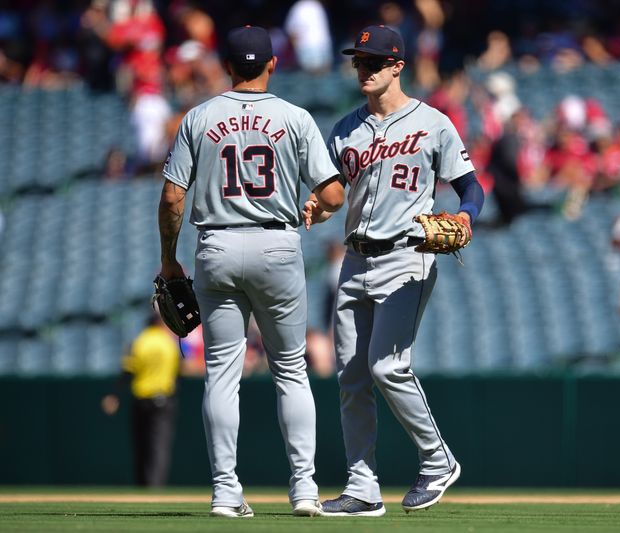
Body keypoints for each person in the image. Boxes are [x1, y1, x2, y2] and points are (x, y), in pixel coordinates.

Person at [157, 25, 344, 518]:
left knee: (221, 373)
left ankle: (224, 491)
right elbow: (332, 195)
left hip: (215, 244)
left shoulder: (199, 116)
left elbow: (173, 196)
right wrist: (316, 209)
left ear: (226, 65)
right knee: (291, 370)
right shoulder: (295, 117)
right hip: (277, 243)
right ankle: (304, 489)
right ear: (272, 64)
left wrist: (168, 257)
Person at [304, 24, 484, 516]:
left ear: (397, 66)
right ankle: (362, 488)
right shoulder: (344, 129)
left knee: (388, 366)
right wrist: (318, 210)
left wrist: (465, 217)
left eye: (374, 62)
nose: (363, 69)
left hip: (408, 254)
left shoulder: (433, 123)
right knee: (352, 378)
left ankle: (437, 460)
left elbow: (472, 188)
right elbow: (333, 196)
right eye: (359, 61)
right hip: (354, 258)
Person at [101, 312, 181, 487]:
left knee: (141, 445)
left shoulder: (139, 342)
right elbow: (181, 370)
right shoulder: (170, 343)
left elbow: (128, 371)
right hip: (163, 400)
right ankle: (155, 486)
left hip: (141, 400)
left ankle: (142, 485)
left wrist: (114, 395)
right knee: (159, 447)